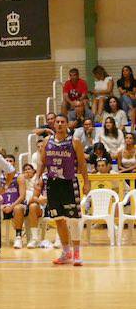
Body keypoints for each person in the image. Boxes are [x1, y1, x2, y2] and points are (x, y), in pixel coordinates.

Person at [36, 114, 90, 266]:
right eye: (57, 122)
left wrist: (86, 182)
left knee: (73, 220)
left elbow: (82, 163)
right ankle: (66, 252)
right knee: (58, 219)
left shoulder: (75, 142)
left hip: (69, 183)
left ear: (67, 125)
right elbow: (42, 161)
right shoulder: (48, 141)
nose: (59, 124)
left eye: (62, 122)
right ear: (54, 125)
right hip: (53, 184)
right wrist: (37, 178)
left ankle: (77, 253)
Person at [0, 155, 27, 249]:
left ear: (14, 163)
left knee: (18, 208)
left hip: (16, 205)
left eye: (10, 161)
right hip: (2, 205)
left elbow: (22, 196)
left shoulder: (19, 177)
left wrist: (11, 206)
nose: (8, 162)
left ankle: (18, 237)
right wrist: (1, 206)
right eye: (6, 160)